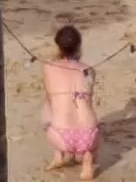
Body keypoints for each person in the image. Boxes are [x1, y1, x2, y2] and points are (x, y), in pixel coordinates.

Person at [42, 25, 100, 180]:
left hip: (61, 134)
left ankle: (58, 155)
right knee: (86, 108)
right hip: (89, 134)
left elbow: (49, 99)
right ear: (79, 45)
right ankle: (87, 161)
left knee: (49, 110)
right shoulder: (89, 70)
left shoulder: (49, 67)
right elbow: (90, 101)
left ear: (57, 45)